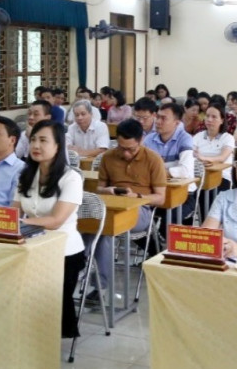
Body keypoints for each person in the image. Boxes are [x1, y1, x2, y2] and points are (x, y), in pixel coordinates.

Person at [12, 120, 85, 338]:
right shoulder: (26, 175)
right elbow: (13, 212)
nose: (36, 145)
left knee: (51, 299)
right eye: (33, 139)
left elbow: (56, 221)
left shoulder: (71, 178)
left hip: (64, 251)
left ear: (58, 146)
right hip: (31, 245)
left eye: (43, 140)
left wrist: (22, 224)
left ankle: (50, 340)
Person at [87, 119, 167, 299]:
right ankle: (82, 271)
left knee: (107, 228)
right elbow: (99, 188)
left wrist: (137, 197)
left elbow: (160, 198)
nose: (126, 153)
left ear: (141, 140)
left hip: (141, 210)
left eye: (131, 149)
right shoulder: (108, 157)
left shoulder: (153, 159)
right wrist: (107, 190)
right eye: (121, 148)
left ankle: (101, 285)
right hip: (112, 206)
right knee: (96, 227)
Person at [144, 102, 196, 217]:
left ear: (176, 122)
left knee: (169, 217)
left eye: (163, 118)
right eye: (158, 117)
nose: (158, 121)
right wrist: (171, 167)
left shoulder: (185, 139)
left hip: (184, 194)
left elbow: (185, 170)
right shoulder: (148, 139)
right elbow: (141, 168)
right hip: (154, 192)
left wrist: (157, 171)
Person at [192, 104, 235, 191]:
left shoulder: (228, 138)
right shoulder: (198, 136)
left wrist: (203, 158)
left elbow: (222, 158)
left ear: (222, 120)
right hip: (200, 175)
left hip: (221, 177)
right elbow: (192, 155)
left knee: (210, 192)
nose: (209, 119)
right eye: (207, 116)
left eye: (214, 117)